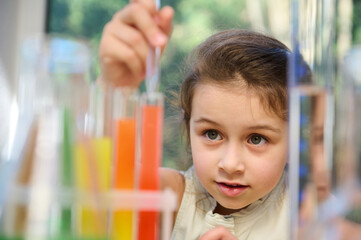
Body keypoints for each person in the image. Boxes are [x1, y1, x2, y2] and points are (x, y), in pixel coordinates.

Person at [98, 0, 289, 239]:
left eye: (257, 139)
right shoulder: (173, 196)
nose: (230, 165)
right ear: (188, 127)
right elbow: (92, 179)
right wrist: (114, 88)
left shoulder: (307, 212)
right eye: (212, 134)